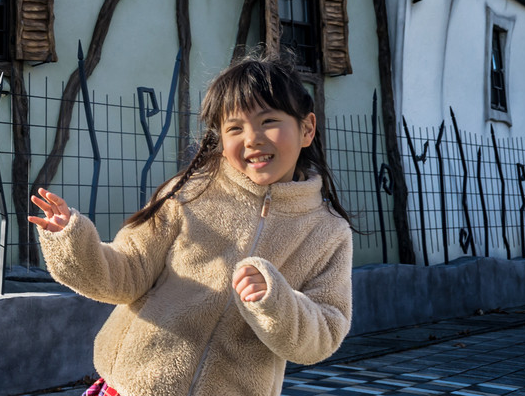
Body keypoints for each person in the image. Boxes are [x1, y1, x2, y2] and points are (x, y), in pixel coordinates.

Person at [30, 52, 353, 396]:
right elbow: (126, 273)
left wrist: (276, 301)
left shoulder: (329, 233)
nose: (252, 138)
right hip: (133, 387)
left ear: (307, 128)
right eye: (234, 128)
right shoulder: (188, 194)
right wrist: (72, 240)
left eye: (269, 120)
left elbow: (326, 332)